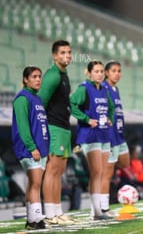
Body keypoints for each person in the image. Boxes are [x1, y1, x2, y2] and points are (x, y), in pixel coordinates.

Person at [70, 60, 114, 220]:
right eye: (96, 71)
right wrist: (86, 119)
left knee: (101, 172)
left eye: (102, 71)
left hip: (103, 134)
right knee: (96, 172)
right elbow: (71, 103)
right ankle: (96, 211)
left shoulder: (104, 89)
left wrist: (110, 119)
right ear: (89, 73)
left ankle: (97, 210)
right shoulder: (84, 88)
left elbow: (111, 107)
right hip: (90, 135)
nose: (100, 74)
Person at [38, 40, 75, 225]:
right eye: (62, 52)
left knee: (59, 171)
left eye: (69, 52)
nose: (67, 55)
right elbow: (39, 103)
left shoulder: (64, 74)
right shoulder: (52, 76)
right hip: (54, 127)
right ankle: (50, 214)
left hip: (64, 127)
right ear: (54, 56)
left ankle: (58, 211)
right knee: (52, 171)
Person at [12, 66, 49, 230]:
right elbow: (23, 126)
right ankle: (36, 219)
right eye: (34, 76)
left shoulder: (37, 99)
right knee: (35, 183)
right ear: (25, 79)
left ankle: (32, 219)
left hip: (41, 149)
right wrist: (32, 147)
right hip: (30, 149)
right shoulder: (22, 98)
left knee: (35, 184)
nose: (38, 79)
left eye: (39, 76)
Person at [101, 61, 130, 217]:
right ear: (106, 72)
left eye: (119, 70)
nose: (117, 73)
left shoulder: (115, 89)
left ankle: (104, 166)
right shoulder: (104, 89)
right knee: (107, 174)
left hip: (119, 135)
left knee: (125, 162)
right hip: (110, 137)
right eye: (113, 70)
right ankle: (104, 207)